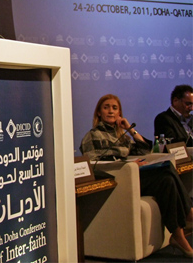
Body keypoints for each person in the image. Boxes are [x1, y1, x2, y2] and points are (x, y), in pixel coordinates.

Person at [80, 94, 193, 258]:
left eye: (115, 108)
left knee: (167, 175)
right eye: (106, 107)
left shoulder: (123, 136)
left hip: (136, 177)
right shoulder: (92, 135)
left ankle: (178, 236)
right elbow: (94, 164)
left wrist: (130, 130)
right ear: (98, 112)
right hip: (119, 180)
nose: (111, 111)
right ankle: (188, 213)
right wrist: (127, 164)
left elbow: (146, 151)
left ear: (120, 113)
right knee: (166, 174)